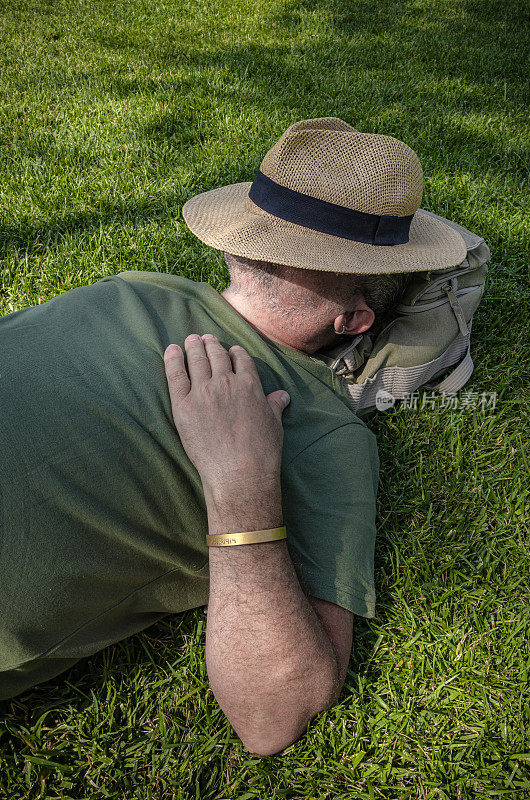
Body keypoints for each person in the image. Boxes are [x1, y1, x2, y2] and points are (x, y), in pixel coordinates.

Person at [0, 118, 468, 755]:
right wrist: (241, 487)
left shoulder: (130, 291)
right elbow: (273, 717)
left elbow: (269, 716)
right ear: (355, 321)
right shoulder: (324, 432)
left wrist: (235, 476)